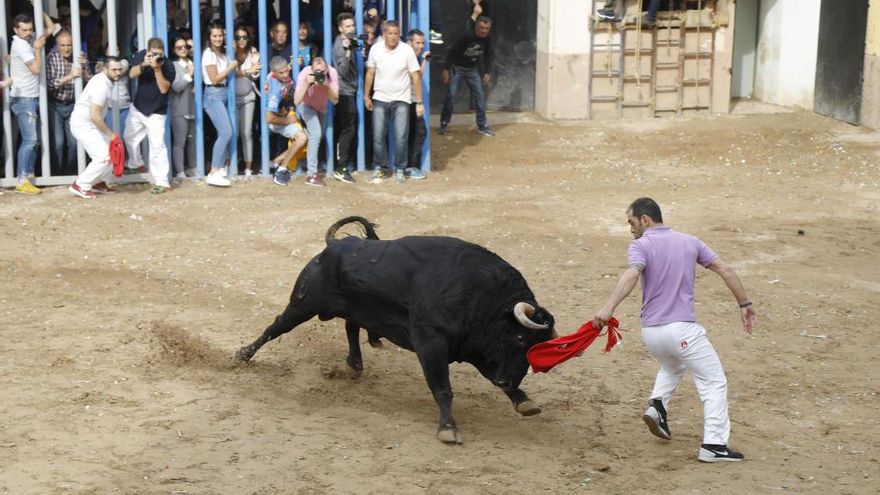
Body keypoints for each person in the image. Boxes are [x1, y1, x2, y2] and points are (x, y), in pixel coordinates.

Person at [592, 197, 758, 463]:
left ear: (645, 220)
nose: (631, 229)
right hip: (681, 330)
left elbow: (633, 274)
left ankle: (657, 405)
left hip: (652, 334)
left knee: (673, 366)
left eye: (631, 222)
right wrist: (744, 303)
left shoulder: (640, 245)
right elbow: (724, 269)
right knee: (714, 382)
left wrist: (608, 308)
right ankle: (714, 445)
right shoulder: (690, 241)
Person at [363, 20, 423, 184]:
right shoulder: (376, 49)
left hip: (402, 99)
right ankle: (380, 168)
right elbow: (370, 73)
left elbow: (416, 76)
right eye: (390, 33)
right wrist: (366, 96)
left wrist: (419, 102)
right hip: (380, 98)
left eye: (396, 33)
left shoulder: (406, 51)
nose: (393, 37)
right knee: (378, 136)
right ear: (384, 34)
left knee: (401, 137)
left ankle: (400, 169)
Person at [68, 57, 126, 199]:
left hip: (89, 123)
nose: (117, 72)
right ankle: (81, 185)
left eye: (119, 69)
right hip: (84, 124)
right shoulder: (102, 85)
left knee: (111, 153)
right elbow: (94, 115)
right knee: (103, 156)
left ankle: (97, 183)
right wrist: (110, 134)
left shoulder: (104, 80)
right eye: (114, 70)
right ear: (105, 69)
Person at [124, 37, 176, 194]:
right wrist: (144, 64)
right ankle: (135, 164)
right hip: (139, 107)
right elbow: (132, 74)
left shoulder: (168, 65)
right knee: (129, 137)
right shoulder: (142, 56)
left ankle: (162, 181)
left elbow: (164, 89)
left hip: (157, 112)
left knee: (157, 147)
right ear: (148, 52)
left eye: (159, 54)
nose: (157, 57)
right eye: (154, 54)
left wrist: (157, 69)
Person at [438, 4, 495, 137]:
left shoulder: (487, 39)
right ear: (477, 27)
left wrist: (487, 71)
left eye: (487, 29)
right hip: (457, 68)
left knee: (480, 96)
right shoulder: (467, 36)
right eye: (481, 28)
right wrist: (446, 69)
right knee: (451, 97)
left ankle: (482, 126)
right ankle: (443, 124)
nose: (484, 31)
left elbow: (488, 54)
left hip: (472, 69)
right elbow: (451, 52)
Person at [9, 14, 49, 195]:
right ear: (15, 30)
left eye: (30, 29)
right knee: (30, 140)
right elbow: (36, 70)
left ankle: (28, 177)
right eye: (24, 30)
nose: (28, 33)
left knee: (33, 141)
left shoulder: (26, 41)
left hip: (30, 98)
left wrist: (39, 8)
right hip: (24, 98)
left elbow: (51, 29)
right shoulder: (21, 45)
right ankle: (22, 179)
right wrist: (38, 50)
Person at [46, 30, 90, 176]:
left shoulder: (80, 57)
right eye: (63, 45)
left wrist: (83, 69)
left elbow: (89, 81)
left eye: (69, 45)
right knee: (58, 143)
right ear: (57, 46)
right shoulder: (51, 58)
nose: (66, 48)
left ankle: (71, 172)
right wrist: (69, 76)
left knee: (73, 142)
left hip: (73, 104)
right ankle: (57, 173)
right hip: (55, 104)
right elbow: (49, 85)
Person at [202, 23, 239, 187]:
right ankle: (214, 171)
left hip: (223, 93)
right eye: (214, 36)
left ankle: (220, 167)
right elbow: (215, 78)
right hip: (213, 94)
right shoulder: (208, 54)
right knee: (226, 132)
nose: (217, 38)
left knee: (225, 132)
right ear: (209, 37)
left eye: (220, 35)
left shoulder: (222, 54)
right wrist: (231, 67)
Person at [294, 56, 338, 187]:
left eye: (323, 71)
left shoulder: (332, 73)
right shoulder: (304, 74)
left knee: (319, 136)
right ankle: (311, 174)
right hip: (306, 105)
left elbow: (335, 100)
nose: (321, 74)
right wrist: (307, 84)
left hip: (322, 106)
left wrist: (325, 85)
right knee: (316, 134)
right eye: (317, 72)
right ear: (311, 70)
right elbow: (296, 101)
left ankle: (303, 142)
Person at [265, 56, 308, 187]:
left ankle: (277, 160)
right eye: (281, 73)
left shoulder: (282, 77)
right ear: (273, 73)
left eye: (286, 71)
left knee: (305, 137)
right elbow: (269, 119)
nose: (285, 75)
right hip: (278, 121)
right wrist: (287, 120)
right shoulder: (275, 90)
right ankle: (281, 169)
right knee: (302, 138)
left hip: (287, 114)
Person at [331, 12, 358, 184]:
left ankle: (344, 164)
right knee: (347, 129)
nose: (352, 28)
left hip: (350, 91)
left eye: (352, 25)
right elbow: (342, 71)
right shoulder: (341, 45)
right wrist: (348, 52)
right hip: (344, 92)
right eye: (348, 26)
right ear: (340, 28)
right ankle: (341, 167)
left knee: (349, 128)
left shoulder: (349, 42)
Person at [233, 25, 261, 177]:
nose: (241, 40)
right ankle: (231, 164)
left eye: (244, 37)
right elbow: (229, 73)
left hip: (249, 96)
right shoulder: (229, 52)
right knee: (234, 133)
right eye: (238, 37)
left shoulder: (253, 51)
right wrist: (247, 71)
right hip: (231, 98)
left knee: (247, 132)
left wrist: (255, 69)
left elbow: (255, 77)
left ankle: (248, 167)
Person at [169, 36, 196, 178]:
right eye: (179, 47)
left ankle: (192, 167)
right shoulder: (173, 66)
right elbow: (176, 87)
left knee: (192, 141)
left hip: (193, 107)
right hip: (179, 109)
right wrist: (189, 75)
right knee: (180, 142)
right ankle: (179, 170)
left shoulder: (194, 62)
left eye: (185, 46)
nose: (183, 49)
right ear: (174, 50)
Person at [405, 29, 429, 180]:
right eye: (417, 43)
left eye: (422, 43)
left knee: (418, 133)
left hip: (412, 100)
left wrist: (424, 61)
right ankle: (410, 167)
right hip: (408, 101)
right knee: (417, 133)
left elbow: (418, 77)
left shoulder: (414, 57)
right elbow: (416, 77)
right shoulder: (406, 57)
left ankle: (411, 166)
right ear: (410, 43)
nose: (420, 46)